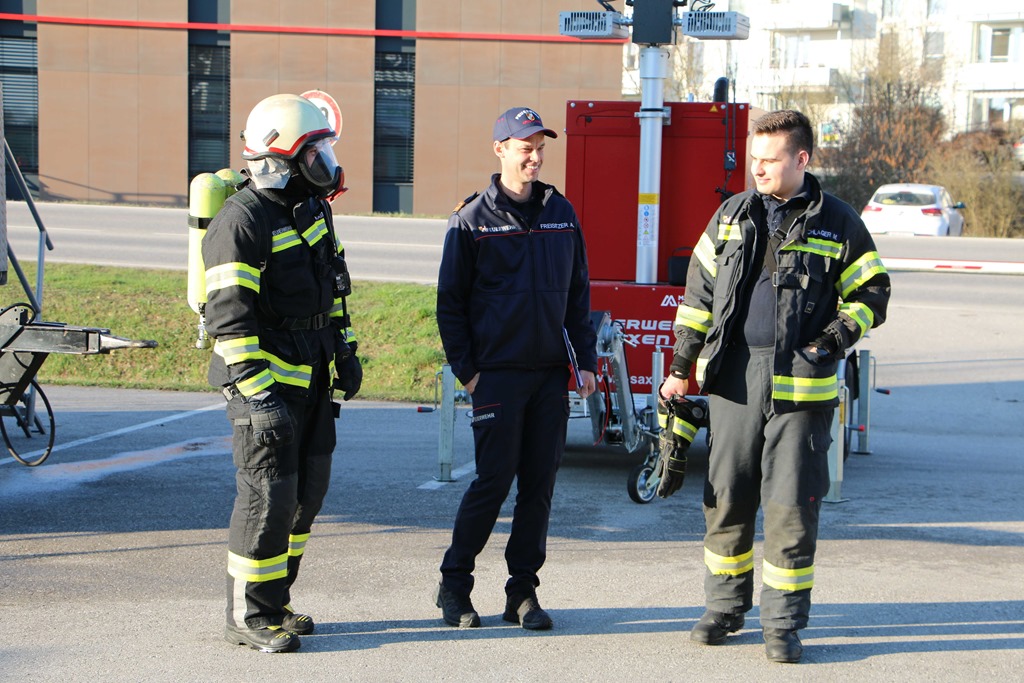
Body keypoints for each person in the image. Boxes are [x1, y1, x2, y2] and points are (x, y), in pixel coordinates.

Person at [659, 110, 891, 663]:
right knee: (726, 499)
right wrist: (681, 367)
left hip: (802, 391)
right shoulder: (731, 215)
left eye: (769, 160)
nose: (757, 169)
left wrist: (829, 344)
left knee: (790, 508)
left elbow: (872, 293)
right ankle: (724, 608)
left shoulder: (838, 221)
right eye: (752, 159)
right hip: (733, 382)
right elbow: (697, 298)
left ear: (801, 159)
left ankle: (783, 624)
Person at [203, 93, 362, 653]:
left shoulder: (312, 208)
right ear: (281, 159)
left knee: (304, 497)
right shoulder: (241, 221)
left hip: (311, 378)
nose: (325, 163)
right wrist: (259, 396)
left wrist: (345, 350)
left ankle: (275, 601)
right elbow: (229, 320)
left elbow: (333, 284)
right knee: (266, 500)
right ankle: (247, 615)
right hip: (265, 389)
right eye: (314, 153)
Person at [433, 107, 598, 630]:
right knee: (494, 481)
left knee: (538, 486)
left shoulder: (561, 212)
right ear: (500, 148)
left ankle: (521, 593)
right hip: (496, 375)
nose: (535, 157)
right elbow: (450, 304)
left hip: (548, 374)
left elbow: (577, 295)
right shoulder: (471, 220)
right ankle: (454, 585)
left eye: (541, 148)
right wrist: (469, 372)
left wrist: (585, 361)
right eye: (526, 147)